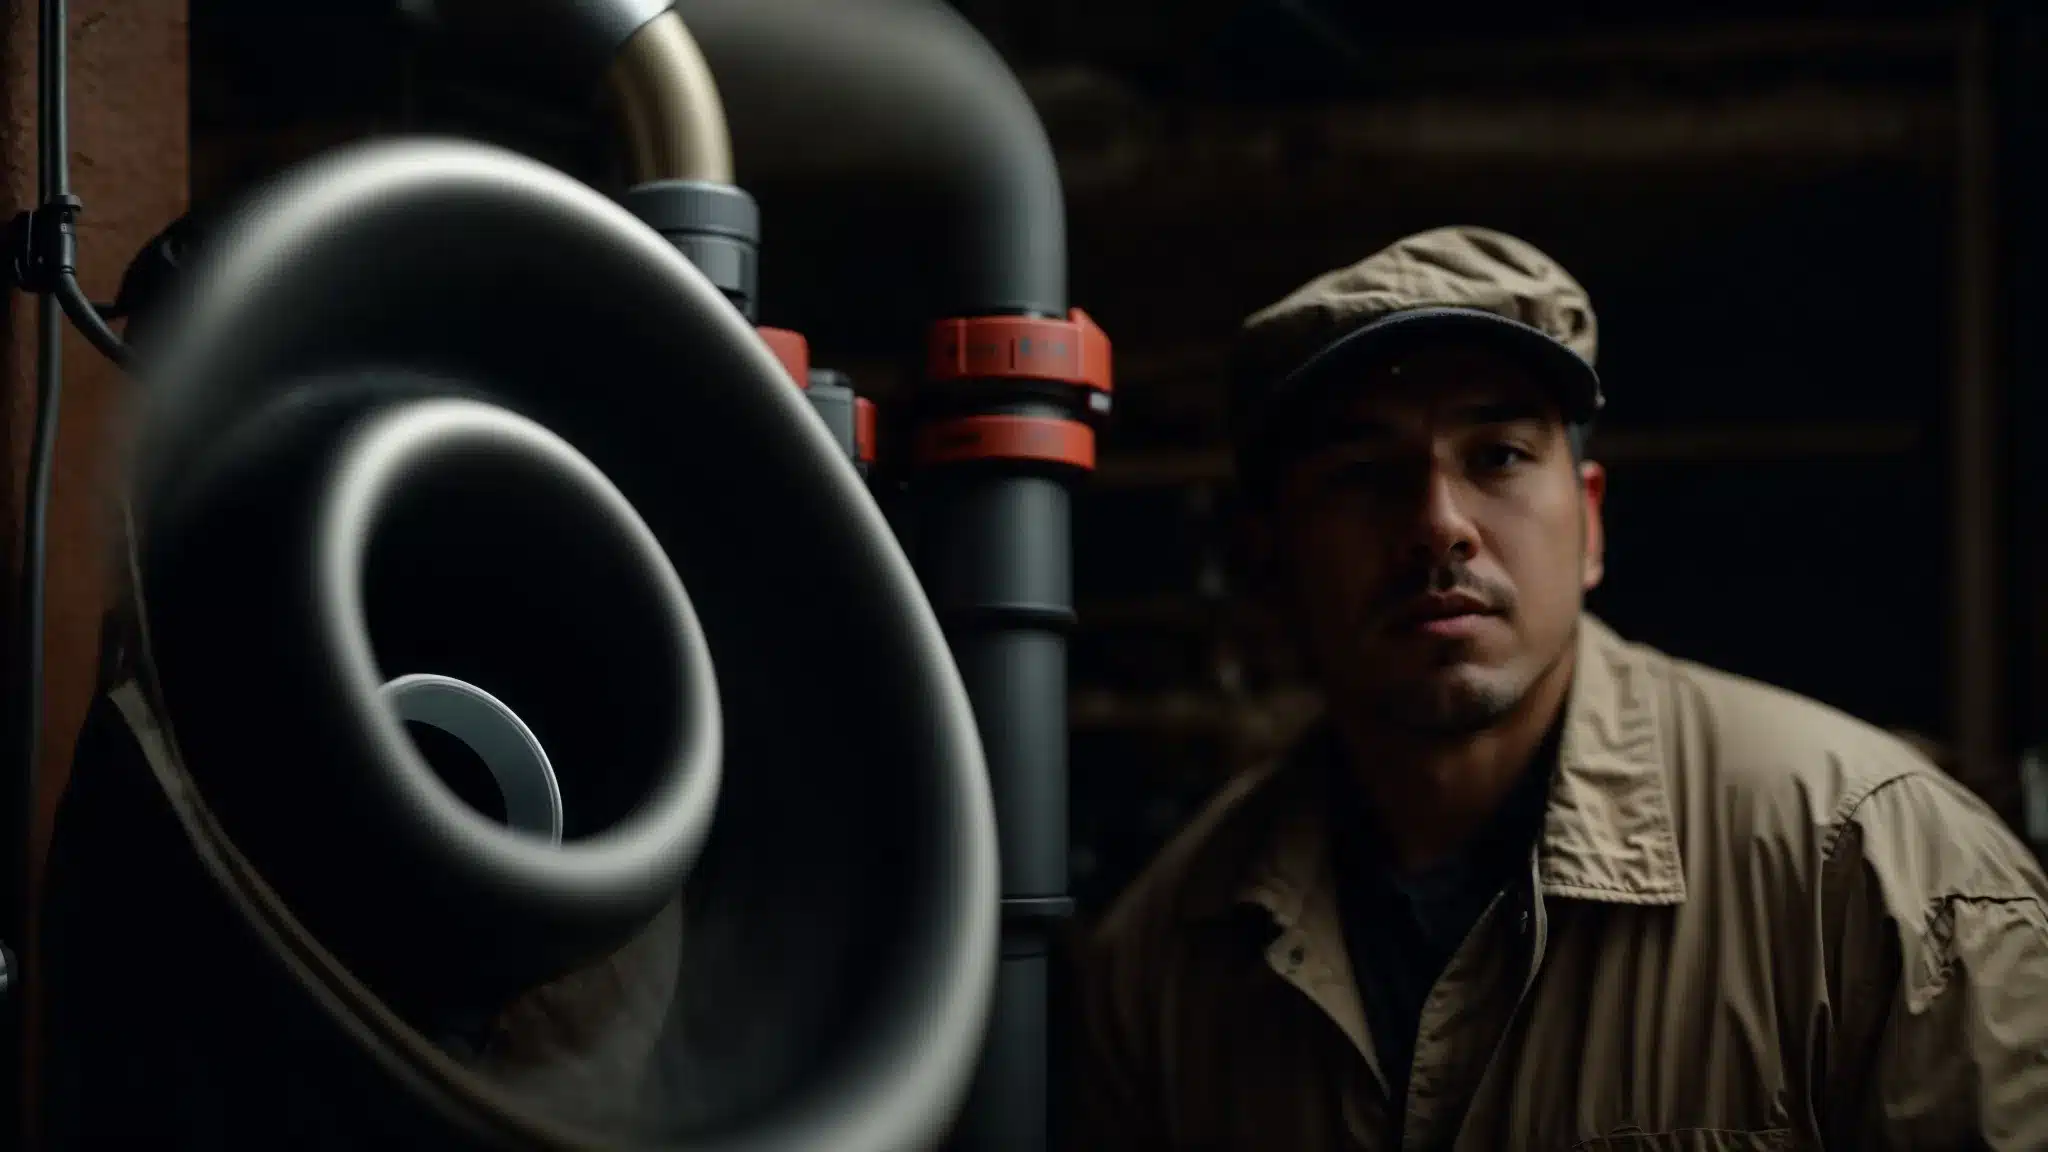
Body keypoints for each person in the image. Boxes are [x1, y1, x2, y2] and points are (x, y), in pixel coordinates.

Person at [1069, 225, 2048, 1150]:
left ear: (1588, 523)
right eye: (1362, 473)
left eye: (1495, 455)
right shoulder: (1164, 963)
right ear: (1266, 560)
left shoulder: (1873, 872)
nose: (1438, 524)